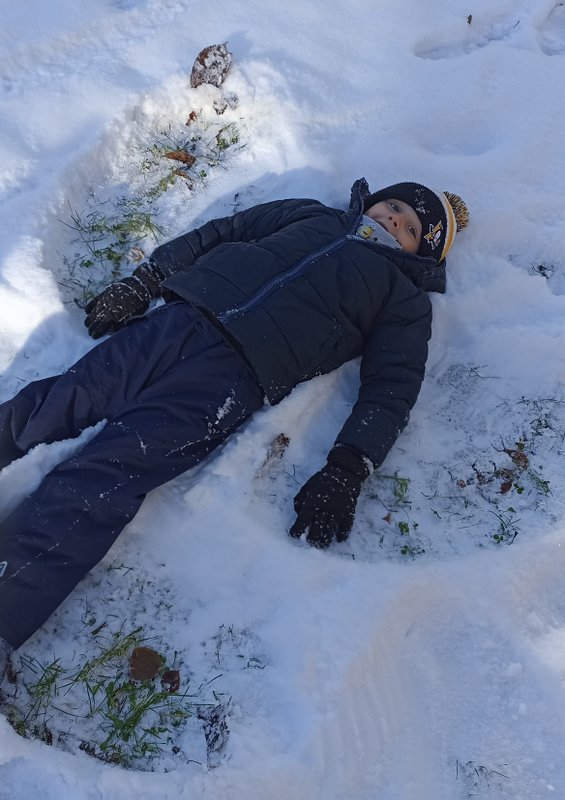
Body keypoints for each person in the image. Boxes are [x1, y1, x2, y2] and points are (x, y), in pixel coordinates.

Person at [0, 177, 469, 678]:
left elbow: (392, 386)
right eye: (393, 205)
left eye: (410, 229)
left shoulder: (402, 300)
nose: (394, 218)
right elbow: (224, 231)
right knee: (58, 401)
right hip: (176, 321)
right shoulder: (310, 213)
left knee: (109, 474)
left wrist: (349, 466)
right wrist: (147, 279)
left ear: (422, 258)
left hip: (233, 378)